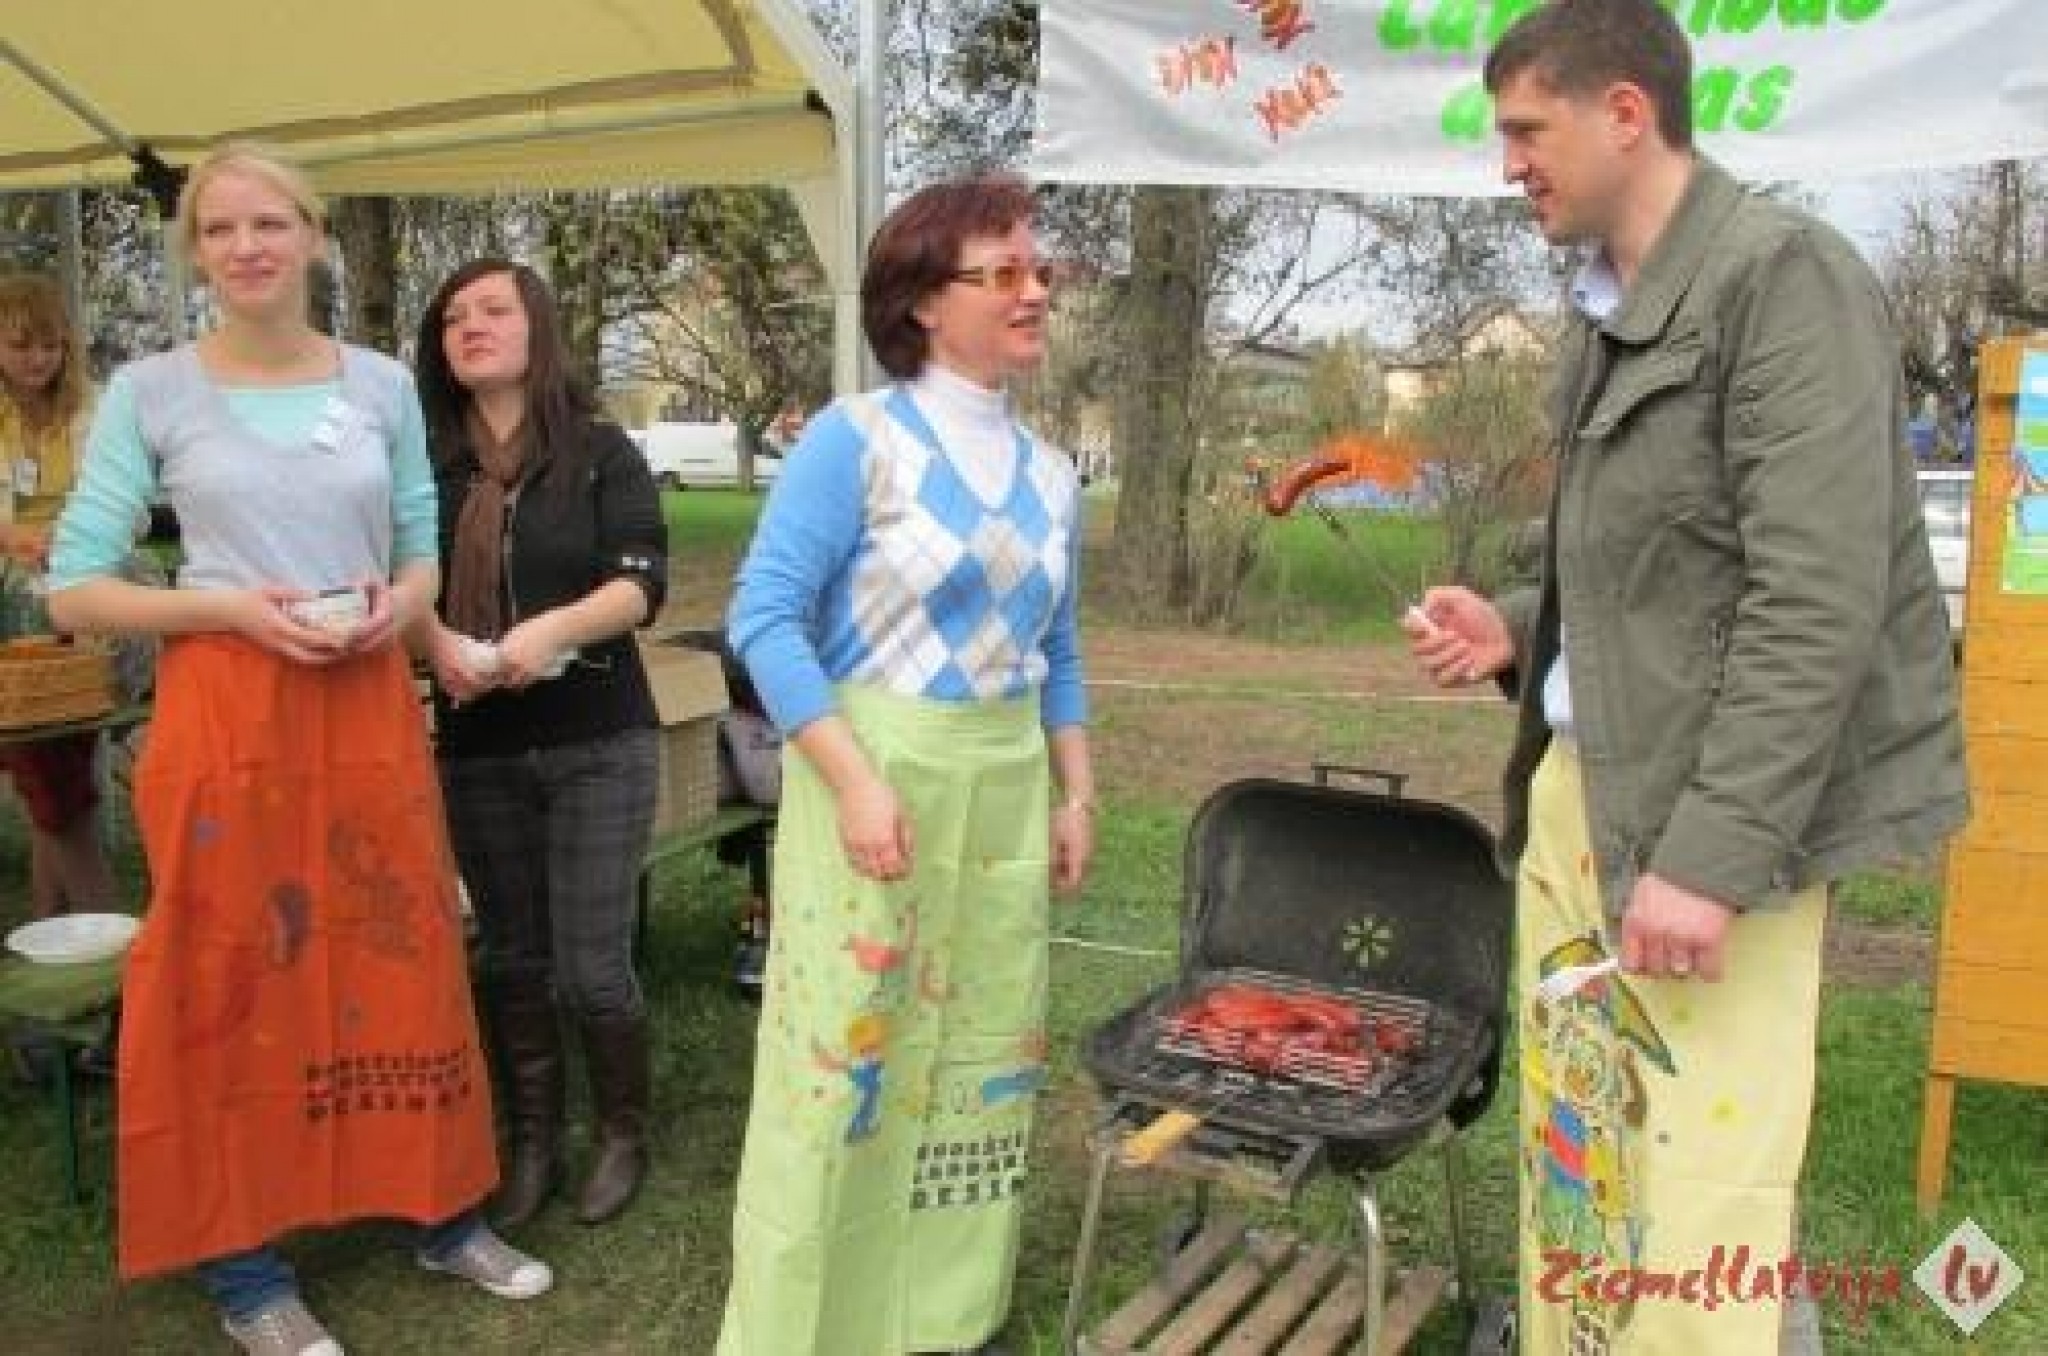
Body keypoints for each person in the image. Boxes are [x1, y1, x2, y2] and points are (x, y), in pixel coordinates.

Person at [1403, 4, 1969, 1353]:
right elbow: (1663, 567)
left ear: (1624, 115)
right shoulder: (1610, 308)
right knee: (1578, 1165)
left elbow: (1814, 600)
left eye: (1526, 130)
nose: (1508, 164)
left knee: (1699, 1196)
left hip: (1707, 834)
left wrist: (1710, 860)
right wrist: (1521, 631)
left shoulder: (1785, 281)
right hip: (1578, 816)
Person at [48, 144, 549, 1356]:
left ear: (315, 237)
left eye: (270, 223)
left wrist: (402, 604)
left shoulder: (380, 385)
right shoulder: (151, 391)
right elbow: (75, 587)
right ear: (197, 252)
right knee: (232, 975)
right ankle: (246, 1268)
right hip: (227, 715)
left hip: (364, 703)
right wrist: (226, 607)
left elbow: (423, 551)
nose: (246, 247)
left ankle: (439, 1209)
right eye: (219, 230)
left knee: (401, 946)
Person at [718, 173, 1094, 1356]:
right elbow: (763, 620)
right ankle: (805, 1324)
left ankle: (944, 1316)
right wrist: (855, 779)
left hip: (1001, 791)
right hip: (872, 781)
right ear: (925, 302)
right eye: (1004, 273)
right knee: (847, 1060)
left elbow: (1060, 647)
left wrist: (1076, 786)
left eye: (1041, 271)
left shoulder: (1050, 474)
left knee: (981, 1056)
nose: (1033, 291)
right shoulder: (856, 441)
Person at [413, 258, 668, 1229]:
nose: (469, 326)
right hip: (477, 743)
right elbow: (400, 588)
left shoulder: (600, 451)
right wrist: (436, 645)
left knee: (590, 967)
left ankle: (620, 1133)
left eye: (492, 310)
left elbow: (638, 584)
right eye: (452, 319)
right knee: (511, 958)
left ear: (537, 328)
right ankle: (530, 1143)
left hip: (598, 737)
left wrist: (547, 632)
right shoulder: (428, 470)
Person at [0, 273, 121, 919]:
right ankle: (101, 930)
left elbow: (123, 503)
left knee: (55, 768)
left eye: (50, 344)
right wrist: (15, 536)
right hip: (13, 605)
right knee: (51, 770)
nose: (38, 358)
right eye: (21, 345)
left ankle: (54, 932)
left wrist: (75, 539)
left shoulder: (93, 408)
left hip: (85, 582)